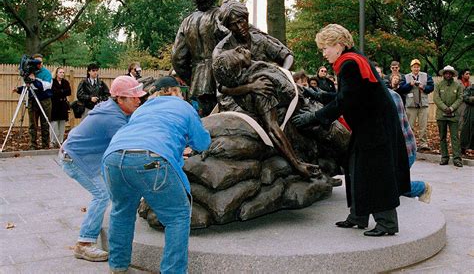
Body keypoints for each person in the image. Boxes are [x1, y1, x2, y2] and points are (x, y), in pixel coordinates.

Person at [292, 24, 410, 237]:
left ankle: (387, 223)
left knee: (374, 171)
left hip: (375, 126)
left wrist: (313, 117)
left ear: (338, 45)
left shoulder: (349, 65)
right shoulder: (352, 60)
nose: (323, 53)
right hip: (371, 123)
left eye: (325, 48)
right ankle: (358, 215)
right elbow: (349, 95)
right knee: (355, 166)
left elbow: (344, 101)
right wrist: (317, 94)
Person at [102, 76, 211, 273]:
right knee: (177, 215)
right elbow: (202, 143)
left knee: (122, 212)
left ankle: (118, 266)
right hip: (151, 158)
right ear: (176, 91)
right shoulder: (184, 107)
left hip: (113, 157)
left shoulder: (142, 109)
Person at [60, 76, 146, 262]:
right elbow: (130, 146)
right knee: (103, 194)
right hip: (75, 158)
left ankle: (95, 226)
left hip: (84, 155)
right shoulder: (113, 119)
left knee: (107, 191)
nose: (139, 100)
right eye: (134, 97)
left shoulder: (115, 109)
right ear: (120, 99)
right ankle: (84, 244)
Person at [213, 47, 320, 179]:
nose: (239, 48)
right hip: (304, 116)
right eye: (236, 53)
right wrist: (297, 165)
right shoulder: (262, 87)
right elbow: (272, 128)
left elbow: (223, 87)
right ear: (241, 69)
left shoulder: (252, 73)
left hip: (304, 108)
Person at [172, 0, 227, 116]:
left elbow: (177, 59)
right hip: (222, 82)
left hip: (198, 83)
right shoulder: (221, 16)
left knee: (204, 122)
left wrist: (193, 77)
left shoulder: (187, 22)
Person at [375, 66, 432, 203]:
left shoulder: (391, 97)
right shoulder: (371, 97)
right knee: (384, 184)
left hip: (404, 150)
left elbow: (393, 131)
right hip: (391, 149)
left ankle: (423, 188)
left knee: (392, 186)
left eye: (376, 74)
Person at [213, 0, 294, 70]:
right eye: (233, 24)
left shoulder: (260, 40)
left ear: (246, 18)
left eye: (241, 21)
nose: (239, 27)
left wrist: (284, 73)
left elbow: (287, 56)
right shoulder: (223, 49)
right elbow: (221, 85)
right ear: (228, 27)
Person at [13, 53, 53, 150]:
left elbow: (45, 86)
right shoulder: (30, 71)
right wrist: (18, 89)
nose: (39, 64)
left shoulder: (46, 73)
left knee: (45, 123)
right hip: (32, 101)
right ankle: (33, 146)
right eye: (37, 62)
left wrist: (34, 80)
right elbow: (27, 86)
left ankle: (45, 145)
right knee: (32, 124)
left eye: (41, 62)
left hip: (44, 101)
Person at [399, 59, 434, 150]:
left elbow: (431, 87)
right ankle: (410, 143)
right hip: (411, 105)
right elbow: (401, 89)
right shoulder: (406, 77)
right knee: (410, 126)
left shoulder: (426, 76)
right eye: (414, 67)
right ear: (411, 68)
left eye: (418, 67)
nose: (416, 68)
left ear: (419, 67)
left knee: (423, 126)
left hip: (423, 105)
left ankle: (423, 144)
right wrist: (409, 85)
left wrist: (424, 87)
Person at [433, 65, 463, 167]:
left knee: (455, 137)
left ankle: (457, 159)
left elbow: (460, 98)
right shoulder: (438, 85)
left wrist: (451, 108)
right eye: (446, 73)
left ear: (453, 74)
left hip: (453, 115)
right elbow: (436, 98)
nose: (448, 74)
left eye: (450, 73)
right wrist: (445, 107)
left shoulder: (458, 85)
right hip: (441, 115)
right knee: (442, 137)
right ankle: (444, 157)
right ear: (443, 74)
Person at [50, 67, 71, 147]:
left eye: (63, 72)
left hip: (63, 105)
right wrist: (62, 91)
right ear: (56, 73)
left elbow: (69, 92)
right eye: (60, 72)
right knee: (54, 123)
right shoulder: (52, 82)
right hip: (54, 105)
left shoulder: (65, 82)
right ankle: (52, 141)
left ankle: (60, 141)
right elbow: (53, 92)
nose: (62, 74)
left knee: (62, 124)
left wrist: (60, 92)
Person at [460, 82, 474, 153]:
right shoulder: (470, 88)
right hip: (470, 111)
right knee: (466, 129)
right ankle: (463, 147)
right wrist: (472, 99)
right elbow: (465, 97)